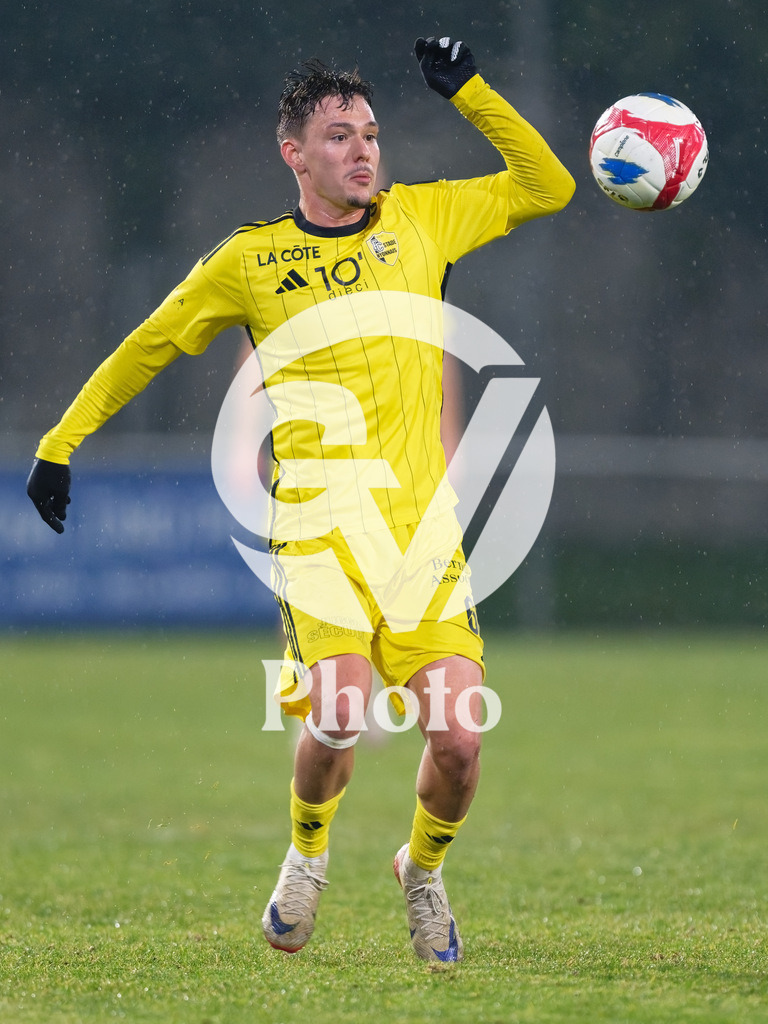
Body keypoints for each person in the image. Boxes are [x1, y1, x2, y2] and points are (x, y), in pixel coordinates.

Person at [27, 36, 575, 962]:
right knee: (340, 710)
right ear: (295, 155)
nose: (363, 152)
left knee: (460, 745)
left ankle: (424, 873)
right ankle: (307, 857)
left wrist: (471, 93)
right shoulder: (251, 261)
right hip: (320, 530)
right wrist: (60, 442)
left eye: (370, 134)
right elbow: (149, 344)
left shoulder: (426, 220)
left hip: (421, 539)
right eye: (338, 137)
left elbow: (548, 184)